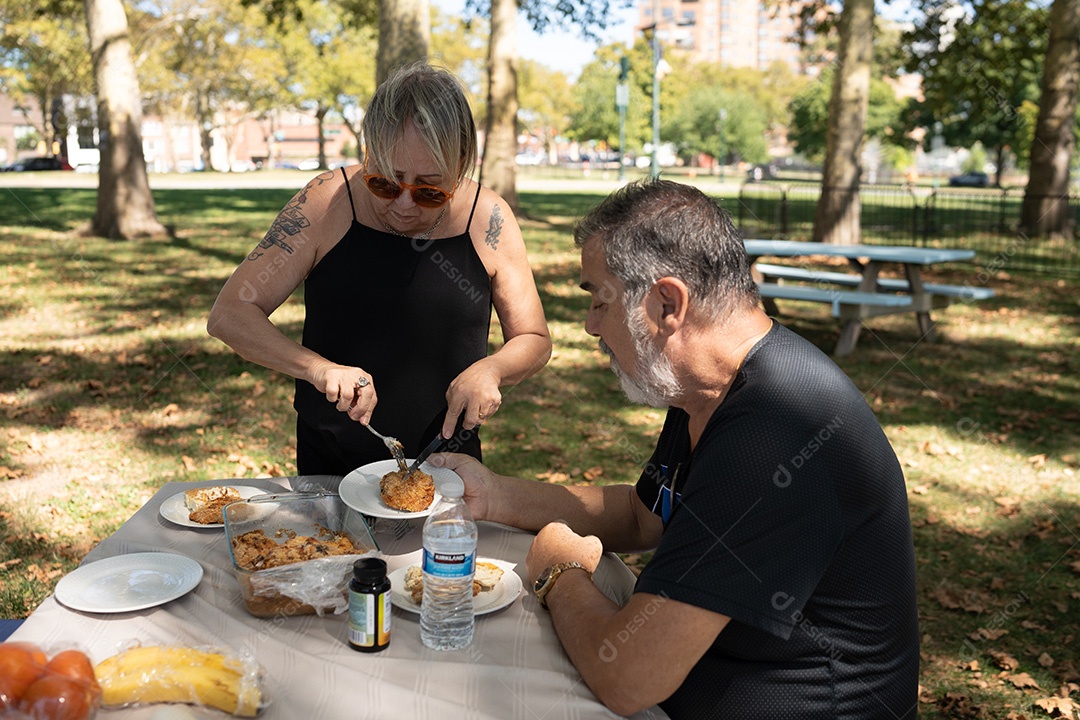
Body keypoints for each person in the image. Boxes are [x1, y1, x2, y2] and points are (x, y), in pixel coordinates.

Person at [437, 179, 919, 718]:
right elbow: (645, 517)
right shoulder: (707, 390)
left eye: (599, 300)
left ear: (668, 302)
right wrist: (497, 496)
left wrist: (561, 573)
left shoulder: (773, 433)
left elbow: (628, 677)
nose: (592, 327)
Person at [207, 63, 552, 475]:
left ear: (460, 164)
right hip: (330, 464)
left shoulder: (488, 217)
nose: (403, 205)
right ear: (368, 151)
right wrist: (319, 369)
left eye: (428, 189)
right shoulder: (326, 201)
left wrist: (492, 369)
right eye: (385, 181)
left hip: (447, 466)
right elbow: (230, 314)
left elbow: (533, 338)